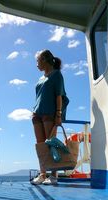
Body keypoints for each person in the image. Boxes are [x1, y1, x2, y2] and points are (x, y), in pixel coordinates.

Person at [31, 49, 69, 185]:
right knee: (40, 145)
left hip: (49, 113)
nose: (37, 64)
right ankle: (42, 174)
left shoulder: (57, 75)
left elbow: (59, 95)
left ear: (45, 60)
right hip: (37, 113)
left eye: (38, 61)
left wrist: (58, 114)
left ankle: (53, 175)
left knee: (50, 143)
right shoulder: (41, 78)